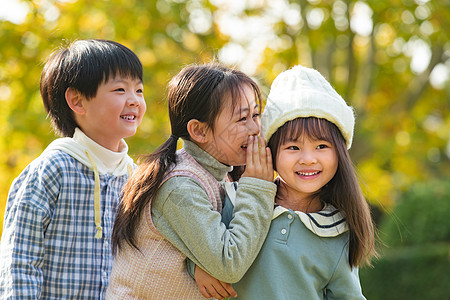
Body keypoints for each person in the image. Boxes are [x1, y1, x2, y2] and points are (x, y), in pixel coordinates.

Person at [195, 65, 378, 299]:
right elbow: (202, 246)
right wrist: (198, 266)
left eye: (321, 146)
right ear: (270, 151)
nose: (308, 159)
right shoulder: (237, 198)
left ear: (339, 153)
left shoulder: (337, 232)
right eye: (293, 147)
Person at [107, 63, 277, 299]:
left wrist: (194, 264)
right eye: (242, 119)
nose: (255, 128)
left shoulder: (224, 173)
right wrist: (258, 188)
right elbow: (229, 263)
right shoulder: (179, 185)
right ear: (199, 131)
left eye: (256, 115)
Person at [0, 39, 146, 299]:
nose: (134, 100)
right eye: (121, 89)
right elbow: (19, 260)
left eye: (139, 90)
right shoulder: (52, 170)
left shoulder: (133, 178)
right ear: (77, 101)